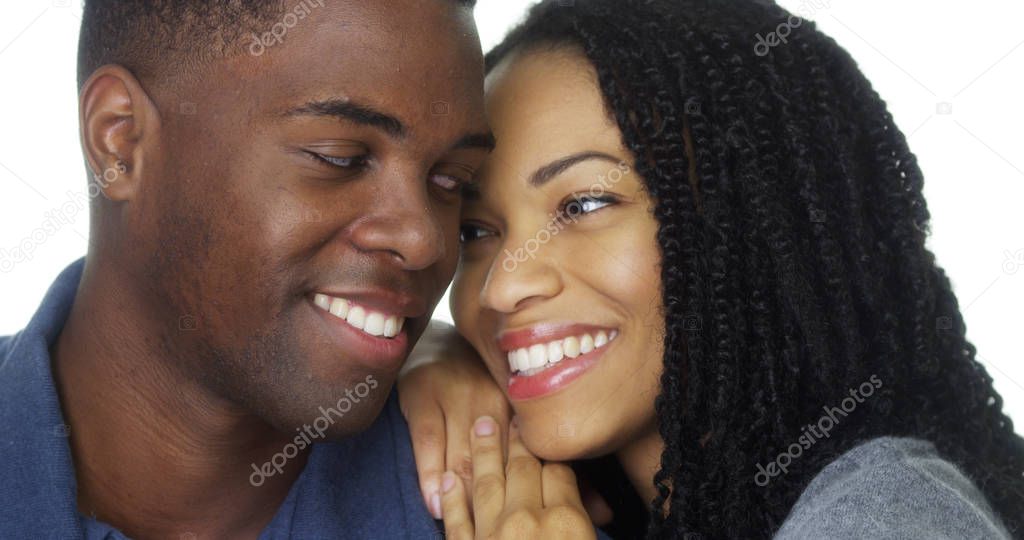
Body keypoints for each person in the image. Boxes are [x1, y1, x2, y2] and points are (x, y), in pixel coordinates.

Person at [397, 0, 1024, 538]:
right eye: (475, 231)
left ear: (750, 219)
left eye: (585, 204)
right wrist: (427, 347)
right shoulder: (602, 504)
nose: (504, 286)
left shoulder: (888, 513)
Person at [0, 0, 494, 537]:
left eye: (453, 182)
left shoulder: (507, 513)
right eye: (338, 156)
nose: (423, 240)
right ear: (120, 139)